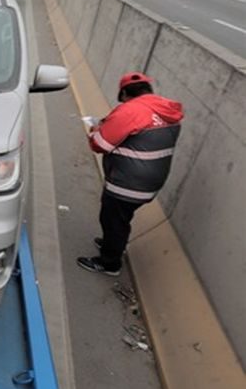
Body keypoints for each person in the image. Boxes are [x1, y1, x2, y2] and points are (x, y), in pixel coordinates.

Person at [77, 72, 184, 276]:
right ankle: (114, 244)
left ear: (125, 93)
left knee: (112, 219)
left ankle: (110, 263)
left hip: (128, 183)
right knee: (122, 217)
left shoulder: (130, 111)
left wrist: (95, 129)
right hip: (151, 181)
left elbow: (100, 144)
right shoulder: (167, 109)